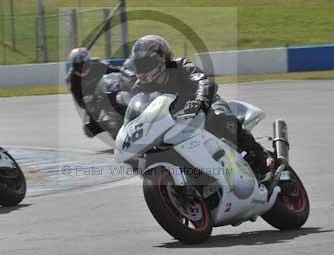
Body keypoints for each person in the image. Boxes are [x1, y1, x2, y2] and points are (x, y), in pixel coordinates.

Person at [129, 35, 270, 176]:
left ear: (162, 58)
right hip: (172, 125)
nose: (142, 70)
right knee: (146, 155)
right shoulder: (140, 88)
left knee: (221, 117)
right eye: (139, 65)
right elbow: (135, 111)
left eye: (146, 63)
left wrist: (200, 101)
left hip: (203, 109)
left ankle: (261, 158)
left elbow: (203, 82)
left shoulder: (181, 66)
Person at [66, 47, 126, 138]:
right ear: (73, 65)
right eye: (78, 64)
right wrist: (90, 101)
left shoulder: (98, 64)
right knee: (90, 129)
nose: (81, 66)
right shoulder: (72, 79)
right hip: (91, 100)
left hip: (107, 91)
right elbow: (79, 99)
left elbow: (116, 71)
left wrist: (124, 73)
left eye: (83, 63)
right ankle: (108, 126)